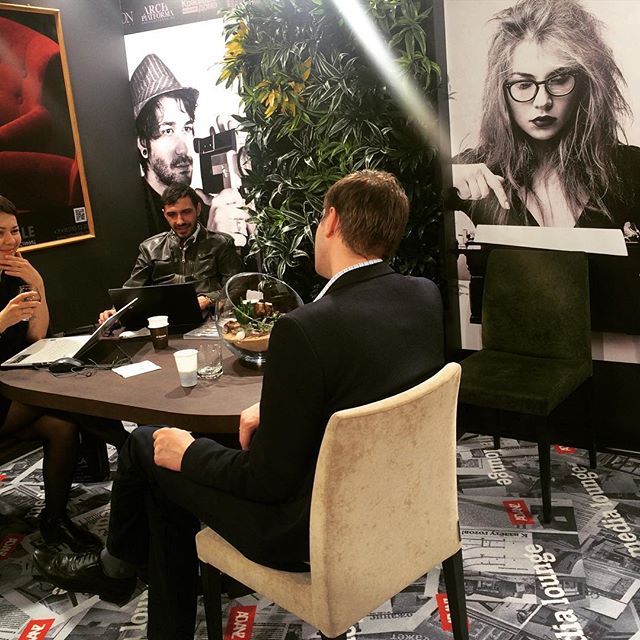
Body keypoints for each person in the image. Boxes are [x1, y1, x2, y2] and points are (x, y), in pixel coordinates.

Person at [34, 170, 445, 639]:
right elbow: (368, 383)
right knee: (169, 468)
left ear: (331, 221)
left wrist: (188, 453)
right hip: (391, 507)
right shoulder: (422, 294)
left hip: (303, 529)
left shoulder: (306, 328)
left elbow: (265, 481)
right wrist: (277, 408)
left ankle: (118, 570)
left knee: (151, 447)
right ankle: (126, 576)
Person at [450, 0, 640, 232]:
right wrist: (443, 178)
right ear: (501, 92)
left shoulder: (629, 169)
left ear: (586, 85)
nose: (542, 101)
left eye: (558, 80)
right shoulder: (476, 169)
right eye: (523, 84)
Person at [0, 196, 102, 551]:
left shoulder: (14, 273)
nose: (10, 241)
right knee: (69, 397)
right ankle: (125, 444)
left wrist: (38, 285)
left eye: (14, 231)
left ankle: (55, 519)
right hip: (6, 394)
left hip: (11, 384)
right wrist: (2, 321)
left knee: (63, 426)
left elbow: (36, 336)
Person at [130, 53, 251, 241]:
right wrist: (212, 244)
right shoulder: (131, 211)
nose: (183, 149)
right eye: (167, 131)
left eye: (187, 128)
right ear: (143, 144)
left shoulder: (205, 207)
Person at [98, 182, 242, 324]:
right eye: (172, 214)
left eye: (186, 212)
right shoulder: (150, 248)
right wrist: (115, 311)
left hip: (210, 321)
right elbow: (132, 290)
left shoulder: (221, 243)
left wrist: (208, 299)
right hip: (163, 324)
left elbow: (237, 287)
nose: (180, 221)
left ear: (198, 209)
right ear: (164, 215)